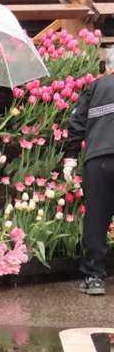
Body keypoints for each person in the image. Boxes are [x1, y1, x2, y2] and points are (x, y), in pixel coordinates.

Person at [63, 45, 114, 296]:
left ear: (109, 67)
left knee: (96, 219)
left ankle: (94, 278)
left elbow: (76, 122)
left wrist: (70, 158)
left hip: (99, 160)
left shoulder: (94, 87)